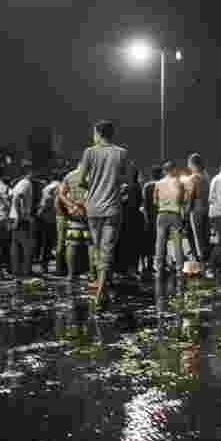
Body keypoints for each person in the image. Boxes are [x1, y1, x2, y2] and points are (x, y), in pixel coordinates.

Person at [73, 120, 131, 307]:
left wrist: (95, 186)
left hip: (94, 209)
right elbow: (127, 181)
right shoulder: (122, 153)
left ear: (98, 133)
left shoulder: (89, 153)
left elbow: (80, 180)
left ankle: (100, 286)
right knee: (108, 249)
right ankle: (102, 290)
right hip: (113, 208)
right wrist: (114, 186)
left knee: (98, 248)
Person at [57, 166, 90, 283]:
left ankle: (71, 274)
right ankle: (92, 274)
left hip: (73, 215)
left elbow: (61, 194)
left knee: (72, 244)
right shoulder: (92, 176)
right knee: (90, 245)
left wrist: (71, 206)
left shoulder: (69, 176)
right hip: (88, 214)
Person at [154, 161, 186, 279]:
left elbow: (155, 201)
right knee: (177, 243)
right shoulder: (179, 182)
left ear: (164, 171)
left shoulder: (158, 183)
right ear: (173, 169)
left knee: (160, 243)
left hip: (162, 214)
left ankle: (159, 267)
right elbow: (181, 199)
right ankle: (179, 269)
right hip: (175, 214)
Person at [9, 163, 35, 278]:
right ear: (29, 172)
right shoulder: (26, 183)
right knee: (27, 245)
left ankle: (16, 270)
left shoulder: (18, 183)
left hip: (14, 217)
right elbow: (16, 198)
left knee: (16, 245)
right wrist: (21, 215)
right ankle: (26, 271)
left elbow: (12, 197)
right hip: (21, 218)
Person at [184, 153, 211, 263]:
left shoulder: (193, 178)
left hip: (196, 209)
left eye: (189, 164)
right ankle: (205, 259)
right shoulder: (206, 177)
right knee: (204, 237)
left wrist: (186, 211)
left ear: (192, 164)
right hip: (206, 209)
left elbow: (191, 195)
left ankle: (200, 260)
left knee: (197, 236)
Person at [140, 165, 164, 277]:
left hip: (150, 217)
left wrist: (146, 217)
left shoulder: (147, 186)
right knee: (160, 241)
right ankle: (161, 264)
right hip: (160, 216)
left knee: (149, 242)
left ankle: (149, 265)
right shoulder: (163, 185)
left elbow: (144, 202)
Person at [36, 170, 61, 275]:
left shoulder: (48, 188)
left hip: (47, 218)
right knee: (56, 243)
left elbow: (45, 202)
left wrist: (39, 213)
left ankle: (44, 266)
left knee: (45, 243)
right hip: (59, 218)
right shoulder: (63, 186)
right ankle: (60, 266)